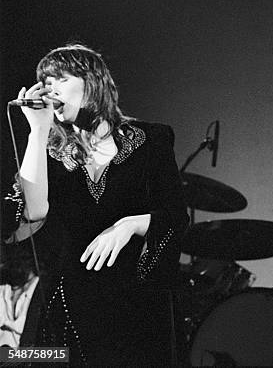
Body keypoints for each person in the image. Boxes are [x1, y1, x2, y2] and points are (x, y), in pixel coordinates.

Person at [11, 44, 188, 365]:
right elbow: (33, 212)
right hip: (69, 303)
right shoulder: (49, 152)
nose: (49, 89)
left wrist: (131, 224)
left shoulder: (151, 139)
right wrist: (37, 130)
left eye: (59, 79)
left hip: (135, 302)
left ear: (92, 81)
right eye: (44, 82)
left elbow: (176, 217)